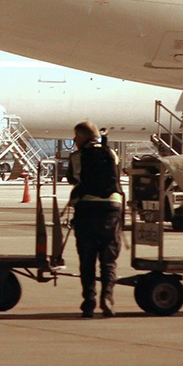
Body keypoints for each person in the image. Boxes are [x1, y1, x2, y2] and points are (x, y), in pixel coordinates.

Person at [67, 120, 122, 317]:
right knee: (108, 259)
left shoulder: (77, 156)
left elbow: (73, 179)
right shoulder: (111, 153)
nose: (74, 139)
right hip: (111, 208)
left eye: (76, 135)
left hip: (87, 209)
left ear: (82, 136)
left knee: (87, 258)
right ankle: (107, 297)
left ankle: (88, 301)